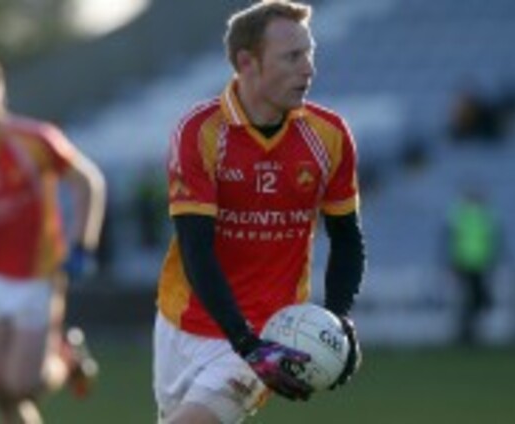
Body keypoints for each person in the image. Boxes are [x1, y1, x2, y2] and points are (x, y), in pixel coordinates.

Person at [153, 1, 366, 423]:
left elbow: (347, 239)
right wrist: (243, 341)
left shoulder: (329, 135)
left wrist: (336, 322)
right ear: (246, 62)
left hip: (269, 334)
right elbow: (197, 250)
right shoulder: (200, 132)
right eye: (293, 57)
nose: (309, 69)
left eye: (310, 54)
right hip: (184, 323)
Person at [0, 55, 106, 423]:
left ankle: (66, 361)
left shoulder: (34, 139)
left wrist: (82, 245)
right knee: (1, 395)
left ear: (0, 96)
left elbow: (88, 182)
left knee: (21, 386)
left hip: (37, 272)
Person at [444, 186, 501, 346]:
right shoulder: (467, 215)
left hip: (477, 263)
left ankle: (468, 331)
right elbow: (453, 239)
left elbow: (492, 240)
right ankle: (467, 332)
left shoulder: (474, 215)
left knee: (475, 299)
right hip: (466, 263)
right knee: (472, 299)